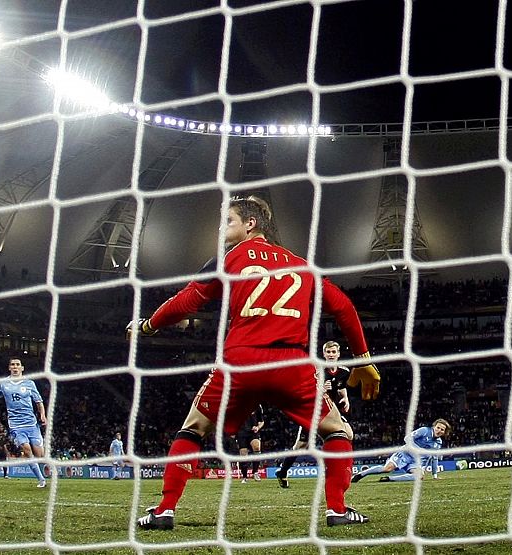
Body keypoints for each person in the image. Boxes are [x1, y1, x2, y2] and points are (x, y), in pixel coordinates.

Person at [126, 195, 380, 530]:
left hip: (240, 363)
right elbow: (345, 307)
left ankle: (164, 512)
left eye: (228, 221)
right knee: (338, 430)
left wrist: (148, 325)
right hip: (292, 363)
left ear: (250, 224)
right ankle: (337, 510)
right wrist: (362, 358)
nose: (222, 228)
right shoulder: (300, 264)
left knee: (194, 428)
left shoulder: (229, 258)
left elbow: (186, 302)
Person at [276, 340, 351, 488]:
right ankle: (283, 471)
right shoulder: (316, 369)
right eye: (328, 352)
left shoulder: (344, 371)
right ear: (323, 354)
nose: (331, 355)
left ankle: (338, 470)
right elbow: (303, 389)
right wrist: (321, 390)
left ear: (338, 354)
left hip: (331, 412)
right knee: (302, 445)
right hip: (313, 410)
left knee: (348, 434)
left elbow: (341, 388)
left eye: (333, 352)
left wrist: (345, 399)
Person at [0, 357, 48, 488]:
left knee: (39, 454)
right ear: (9, 368)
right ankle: (41, 479)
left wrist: (42, 414)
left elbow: (38, 401)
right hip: (16, 425)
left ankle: (33, 459)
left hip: (31, 424)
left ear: (22, 368)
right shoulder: (4, 384)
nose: (15, 367)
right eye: (12, 365)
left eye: (17, 364)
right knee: (26, 449)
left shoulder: (29, 383)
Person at [351, 419, 450, 483]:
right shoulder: (424, 431)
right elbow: (407, 438)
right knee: (387, 469)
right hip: (404, 454)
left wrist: (435, 475)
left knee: (419, 476)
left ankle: (389, 479)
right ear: (434, 427)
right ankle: (361, 474)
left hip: (415, 461)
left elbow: (434, 458)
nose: (439, 430)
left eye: (442, 429)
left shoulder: (438, 442)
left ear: (444, 432)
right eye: (438, 427)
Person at [237, 405, 265, 483]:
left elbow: (262, 421)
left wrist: (258, 428)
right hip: (241, 432)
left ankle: (255, 472)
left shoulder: (257, 406)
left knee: (256, 446)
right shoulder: (237, 405)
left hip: (253, 432)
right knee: (243, 454)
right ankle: (245, 477)